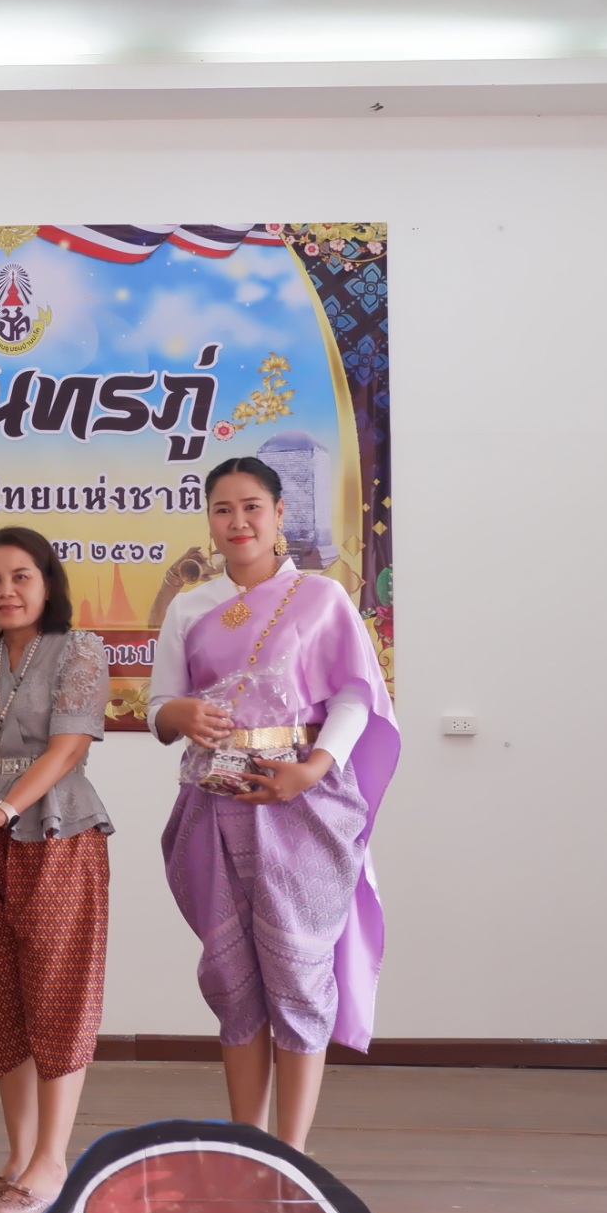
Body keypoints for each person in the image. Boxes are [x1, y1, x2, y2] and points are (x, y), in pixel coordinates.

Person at [148, 457, 399, 1153]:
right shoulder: (189, 606)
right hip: (213, 799)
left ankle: (291, 1157)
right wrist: (179, 714)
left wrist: (312, 770)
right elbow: (158, 707)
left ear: (280, 512)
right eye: (223, 509)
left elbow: (355, 695)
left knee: (298, 973)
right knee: (232, 979)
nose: (238, 522)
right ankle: (248, 1149)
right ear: (209, 519)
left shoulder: (321, 597)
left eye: (252, 506)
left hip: (302, 802)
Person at [0, 527, 113, 1213]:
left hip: (58, 833)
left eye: (20, 576)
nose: (5, 590)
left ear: (47, 583)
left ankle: (52, 1161)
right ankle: (19, 1156)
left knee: (58, 994)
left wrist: (1, 809)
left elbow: (67, 749)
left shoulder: (79, 648)